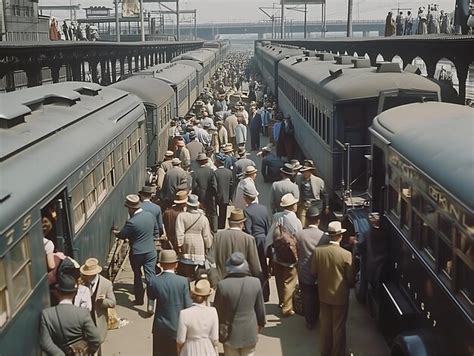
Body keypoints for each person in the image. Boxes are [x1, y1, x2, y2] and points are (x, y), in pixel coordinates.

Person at [311, 221, 356, 356]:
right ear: (340, 236)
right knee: (338, 327)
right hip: (340, 296)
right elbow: (350, 279)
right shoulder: (346, 254)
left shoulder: (318, 251)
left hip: (323, 294)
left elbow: (313, 272)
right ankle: (337, 353)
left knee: (325, 325)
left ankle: (325, 351)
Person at [214, 253, 266, 356]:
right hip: (249, 331)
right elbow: (260, 309)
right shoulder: (255, 282)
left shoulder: (222, 285)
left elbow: (218, 311)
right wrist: (261, 323)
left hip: (229, 333)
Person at [113, 194, 158, 305]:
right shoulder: (150, 216)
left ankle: (139, 300)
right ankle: (151, 304)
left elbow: (123, 235)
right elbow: (156, 231)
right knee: (150, 277)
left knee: (137, 276)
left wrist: (115, 232)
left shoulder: (132, 222)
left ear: (131, 208)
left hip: (137, 253)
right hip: (151, 251)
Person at [39, 274, 101, 355]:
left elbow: (45, 343)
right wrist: (89, 351)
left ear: (57, 292)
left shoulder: (47, 315)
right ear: (75, 293)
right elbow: (96, 339)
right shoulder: (83, 313)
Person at [148, 250, 192, 356]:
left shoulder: (153, 281)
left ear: (160, 264)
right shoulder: (183, 281)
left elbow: (151, 297)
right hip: (178, 326)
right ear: (176, 264)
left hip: (160, 327)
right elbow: (188, 306)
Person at [265, 193, 302, 317]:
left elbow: (270, 234)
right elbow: (299, 237)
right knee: (289, 281)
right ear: (292, 206)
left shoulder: (276, 216)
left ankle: (281, 301)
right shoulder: (295, 220)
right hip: (290, 256)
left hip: (277, 254)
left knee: (279, 279)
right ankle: (287, 307)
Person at [294, 207, 329, 329]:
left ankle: (309, 321)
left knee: (307, 296)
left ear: (307, 220)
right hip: (320, 272)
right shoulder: (324, 237)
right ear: (318, 220)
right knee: (318, 295)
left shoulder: (299, 235)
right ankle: (316, 316)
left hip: (304, 270)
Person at [213, 209, 262, 281]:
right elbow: (254, 265)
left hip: (221, 281)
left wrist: (213, 280)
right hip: (243, 282)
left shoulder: (217, 236)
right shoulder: (249, 239)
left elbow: (210, 261)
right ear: (242, 223)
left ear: (229, 222)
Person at [176, 279, 219, 356]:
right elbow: (215, 338)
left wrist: (179, 351)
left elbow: (180, 340)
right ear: (207, 296)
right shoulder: (212, 311)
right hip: (207, 348)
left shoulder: (184, 313)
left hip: (189, 348)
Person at [243, 185, 271, 302]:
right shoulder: (263, 208)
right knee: (264, 267)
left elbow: (249, 230)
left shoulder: (247, 211)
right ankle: (266, 294)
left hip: (254, 241)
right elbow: (267, 226)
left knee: (254, 268)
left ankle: (256, 295)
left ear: (246, 198)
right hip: (264, 239)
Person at [175, 194, 212, 280]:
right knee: (199, 269)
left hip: (186, 242)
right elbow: (206, 235)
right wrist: (208, 245)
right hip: (199, 243)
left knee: (186, 267)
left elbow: (179, 232)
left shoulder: (181, 216)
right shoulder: (203, 218)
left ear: (187, 205)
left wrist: (179, 244)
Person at [80, 258, 116, 345]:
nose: (87, 276)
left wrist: (103, 301)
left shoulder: (106, 284)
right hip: (85, 321)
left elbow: (112, 303)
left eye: (89, 274)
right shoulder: (82, 282)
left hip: (98, 321)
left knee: (97, 344)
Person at [295, 160, 328, 227]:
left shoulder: (319, 181)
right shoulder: (298, 179)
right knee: (302, 224)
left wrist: (327, 206)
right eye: (304, 171)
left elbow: (325, 194)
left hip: (315, 204)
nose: (305, 173)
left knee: (314, 224)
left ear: (311, 171)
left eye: (307, 171)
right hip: (303, 204)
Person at [192, 153, 218, 232]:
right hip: (210, 196)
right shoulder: (210, 171)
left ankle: (203, 229)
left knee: (202, 212)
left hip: (201, 197)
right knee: (213, 213)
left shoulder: (196, 172)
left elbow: (194, 186)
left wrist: (196, 195)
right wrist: (214, 194)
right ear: (206, 161)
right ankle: (214, 229)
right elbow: (214, 184)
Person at [214, 157, 234, 229]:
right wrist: (231, 197)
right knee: (223, 212)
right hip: (226, 196)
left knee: (215, 211)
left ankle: (216, 224)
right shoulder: (229, 172)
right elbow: (231, 186)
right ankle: (222, 225)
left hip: (217, 196)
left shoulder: (215, 173)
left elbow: (214, 185)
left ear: (218, 163)